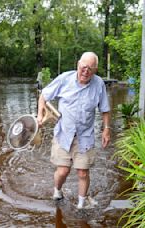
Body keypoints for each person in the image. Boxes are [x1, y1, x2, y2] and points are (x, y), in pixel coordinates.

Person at [37, 51, 111, 209]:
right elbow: (44, 95)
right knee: (63, 171)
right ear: (78, 64)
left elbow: (105, 109)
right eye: (84, 66)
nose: (86, 71)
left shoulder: (99, 84)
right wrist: (39, 115)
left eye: (90, 68)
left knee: (83, 172)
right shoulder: (64, 79)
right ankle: (57, 190)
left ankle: (81, 204)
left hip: (85, 136)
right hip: (63, 133)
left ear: (95, 70)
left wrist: (106, 129)